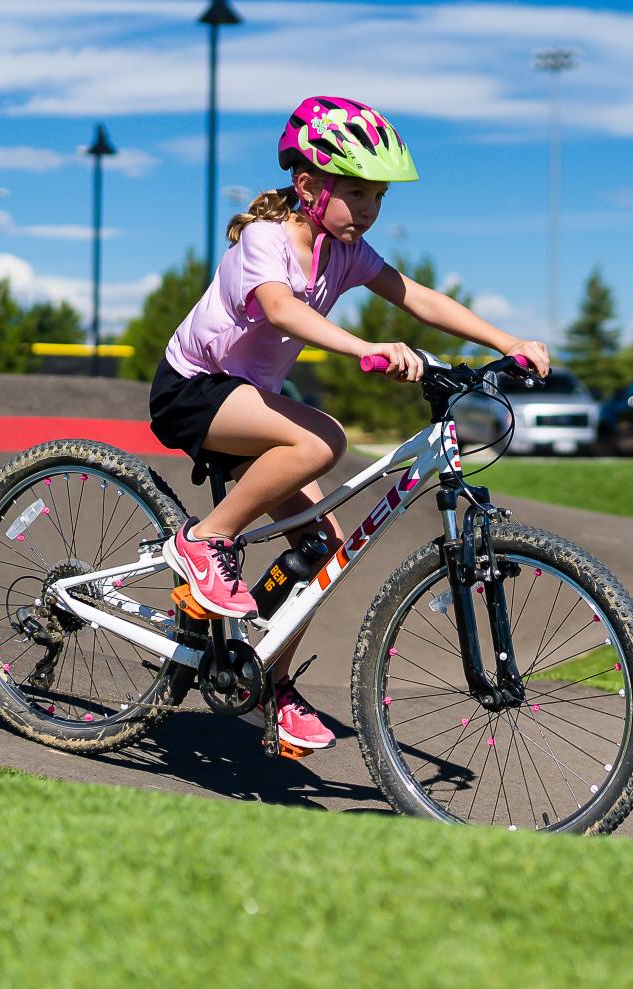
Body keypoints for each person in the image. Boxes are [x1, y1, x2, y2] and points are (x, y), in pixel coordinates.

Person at [149, 96, 551, 753]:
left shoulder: (348, 254)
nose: (367, 211)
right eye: (357, 193)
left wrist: (508, 341)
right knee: (322, 439)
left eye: (379, 198)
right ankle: (203, 541)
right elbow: (280, 311)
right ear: (308, 186)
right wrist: (360, 348)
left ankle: (268, 685)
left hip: (250, 400)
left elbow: (418, 297)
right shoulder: (265, 242)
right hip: (194, 390)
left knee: (320, 546)